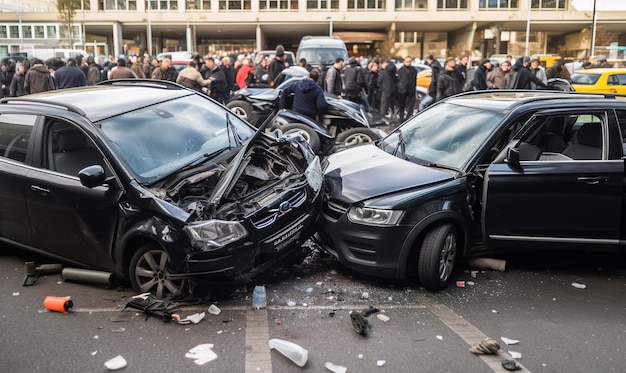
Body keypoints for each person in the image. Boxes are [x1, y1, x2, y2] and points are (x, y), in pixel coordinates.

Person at [397, 56, 418, 122]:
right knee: (401, 106)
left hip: (411, 90)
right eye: (407, 61)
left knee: (410, 106)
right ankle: (401, 119)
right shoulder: (400, 70)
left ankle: (408, 119)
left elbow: (414, 80)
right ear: (404, 61)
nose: (408, 63)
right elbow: (398, 80)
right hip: (402, 91)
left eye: (409, 61)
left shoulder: (414, 70)